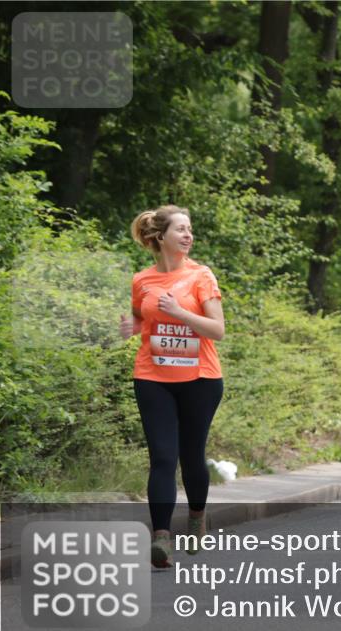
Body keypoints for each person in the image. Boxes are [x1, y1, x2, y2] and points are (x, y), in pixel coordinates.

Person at [120, 206, 225, 568]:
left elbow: (217, 330)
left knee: (191, 456)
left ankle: (197, 516)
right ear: (160, 237)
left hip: (200, 378)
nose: (188, 235)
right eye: (181, 229)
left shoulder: (201, 276)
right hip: (153, 376)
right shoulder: (142, 280)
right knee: (163, 457)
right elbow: (141, 318)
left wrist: (180, 313)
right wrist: (128, 328)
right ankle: (161, 537)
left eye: (190, 229)